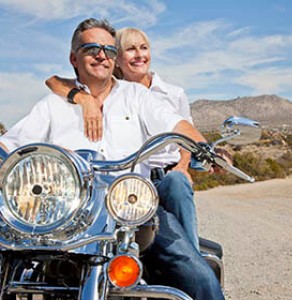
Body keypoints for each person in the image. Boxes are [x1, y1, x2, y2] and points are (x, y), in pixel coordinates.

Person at [0, 18, 224, 300]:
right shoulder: (52, 105)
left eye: (108, 49)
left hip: (134, 210)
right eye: (91, 48)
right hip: (66, 217)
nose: (101, 55)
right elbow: (9, 145)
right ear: (74, 58)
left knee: (197, 274)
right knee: (11, 263)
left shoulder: (137, 96)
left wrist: (202, 146)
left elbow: (175, 124)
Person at [45, 27, 199, 250]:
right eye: (130, 49)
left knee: (177, 186)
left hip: (166, 175)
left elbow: (185, 131)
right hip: (128, 182)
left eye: (144, 48)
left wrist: (184, 166)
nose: (139, 55)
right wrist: (84, 99)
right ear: (117, 59)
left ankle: (191, 254)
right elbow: (53, 81)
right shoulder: (106, 89)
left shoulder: (173, 94)